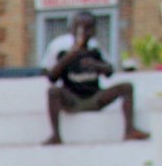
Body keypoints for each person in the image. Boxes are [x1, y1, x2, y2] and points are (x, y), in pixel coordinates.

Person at [42, 10, 146, 145]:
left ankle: (130, 130)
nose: (84, 32)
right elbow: (51, 77)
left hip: (95, 98)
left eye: (88, 28)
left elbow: (109, 72)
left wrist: (95, 64)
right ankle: (56, 136)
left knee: (126, 87)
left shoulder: (95, 51)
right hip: (73, 100)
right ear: (72, 30)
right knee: (53, 92)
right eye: (79, 28)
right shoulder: (63, 53)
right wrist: (71, 55)